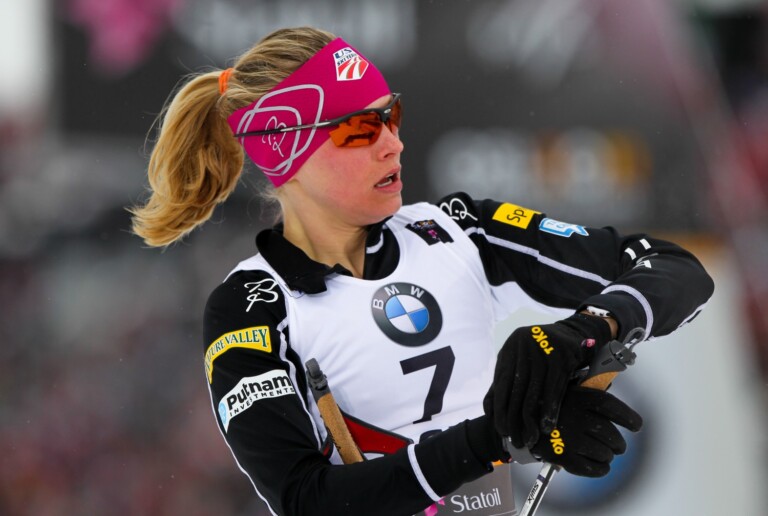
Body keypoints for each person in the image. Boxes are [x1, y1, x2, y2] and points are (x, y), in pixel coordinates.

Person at [129, 27, 714, 516]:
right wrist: (497, 438)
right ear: (284, 149)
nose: (393, 145)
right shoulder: (252, 305)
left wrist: (587, 330)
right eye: (359, 129)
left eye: (392, 116)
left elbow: (674, 269)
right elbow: (306, 500)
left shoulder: (456, 230)